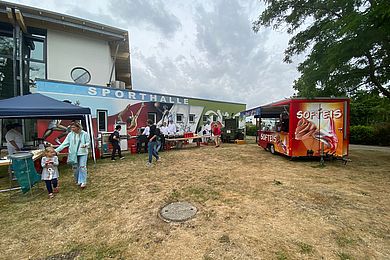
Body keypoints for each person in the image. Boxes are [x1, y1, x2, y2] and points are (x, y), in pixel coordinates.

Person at [55, 121, 90, 189]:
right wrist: (56, 150)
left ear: (78, 127)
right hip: (73, 154)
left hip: (83, 153)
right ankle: (78, 180)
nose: (72, 128)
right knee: (75, 168)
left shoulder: (85, 134)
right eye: (71, 127)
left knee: (82, 167)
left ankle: (83, 181)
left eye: (73, 127)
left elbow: (88, 142)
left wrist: (85, 145)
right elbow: (64, 144)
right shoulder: (70, 134)